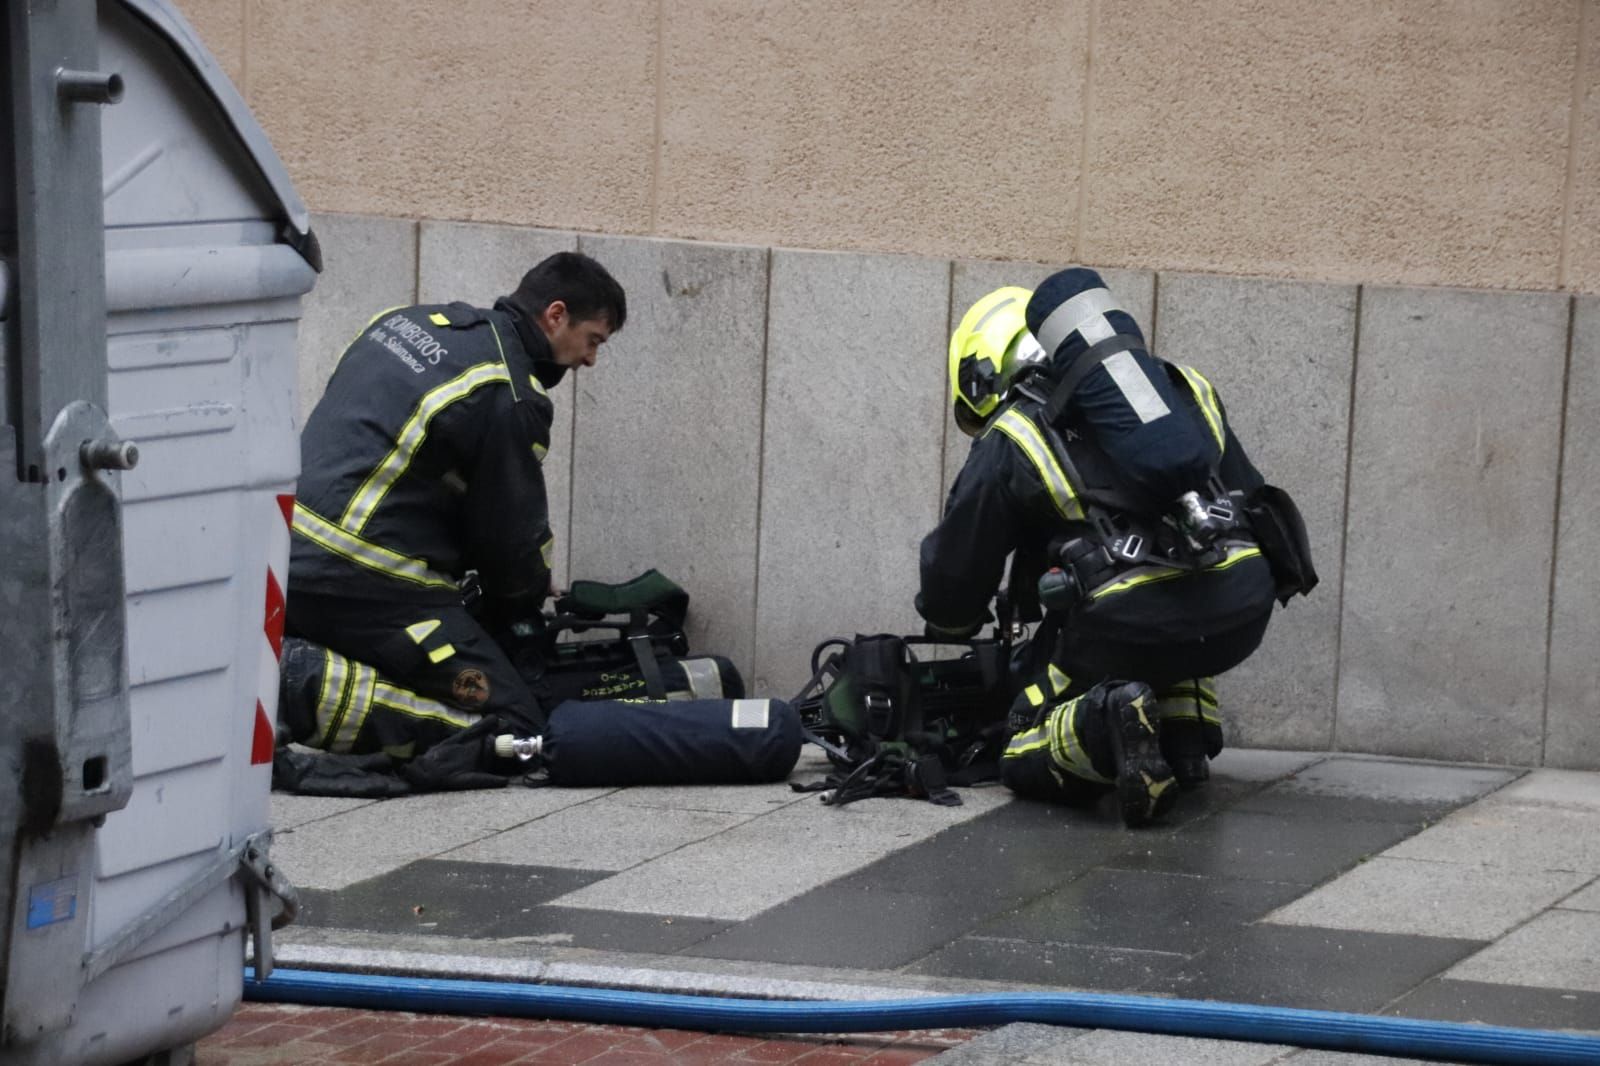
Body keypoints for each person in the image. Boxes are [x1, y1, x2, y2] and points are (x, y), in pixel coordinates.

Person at [918, 268, 1310, 827]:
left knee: (1021, 738)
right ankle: (1186, 737)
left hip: (1130, 627)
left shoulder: (1017, 432)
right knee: (1179, 590)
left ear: (986, 372)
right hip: (1244, 606)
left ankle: (1105, 724)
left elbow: (956, 573)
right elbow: (1248, 496)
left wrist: (950, 622)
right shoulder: (1178, 390)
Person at [277, 251, 626, 758]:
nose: (590, 359)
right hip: (365, 576)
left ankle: (301, 663)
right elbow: (510, 540)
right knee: (516, 729)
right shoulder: (510, 394)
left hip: (282, 553)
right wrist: (524, 598)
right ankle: (299, 688)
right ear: (556, 315)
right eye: (593, 340)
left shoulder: (402, 322)